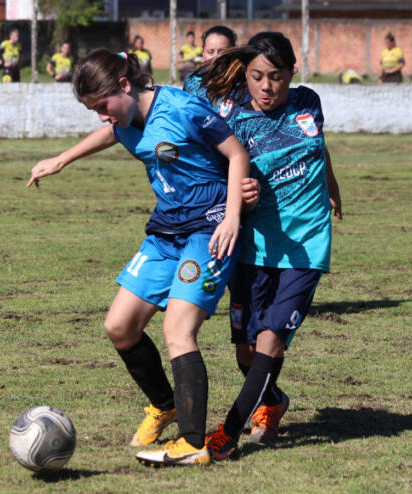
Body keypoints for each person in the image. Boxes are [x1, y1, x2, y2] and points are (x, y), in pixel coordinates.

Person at [27, 49, 249, 467]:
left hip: (208, 230)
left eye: (102, 106)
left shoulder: (184, 108)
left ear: (125, 86)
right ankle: (165, 404)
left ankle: (191, 443)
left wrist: (233, 216)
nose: (101, 117)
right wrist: (61, 160)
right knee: (119, 326)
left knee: (178, 330)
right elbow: (114, 133)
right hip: (165, 233)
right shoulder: (125, 119)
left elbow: (237, 154)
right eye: (93, 110)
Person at [198, 32, 343, 461]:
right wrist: (238, 195)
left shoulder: (308, 102)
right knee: (246, 350)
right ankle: (273, 399)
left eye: (276, 77)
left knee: (270, 340)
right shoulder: (231, 115)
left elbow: (320, 146)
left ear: (291, 74)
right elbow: (219, 172)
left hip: (304, 248)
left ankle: (227, 433)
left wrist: (332, 186)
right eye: (257, 76)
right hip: (251, 246)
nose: (266, 87)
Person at [183, 25, 237, 101]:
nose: (216, 57)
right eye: (210, 52)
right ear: (203, 52)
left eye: (222, 52)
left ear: (233, 52)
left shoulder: (242, 82)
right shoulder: (192, 81)